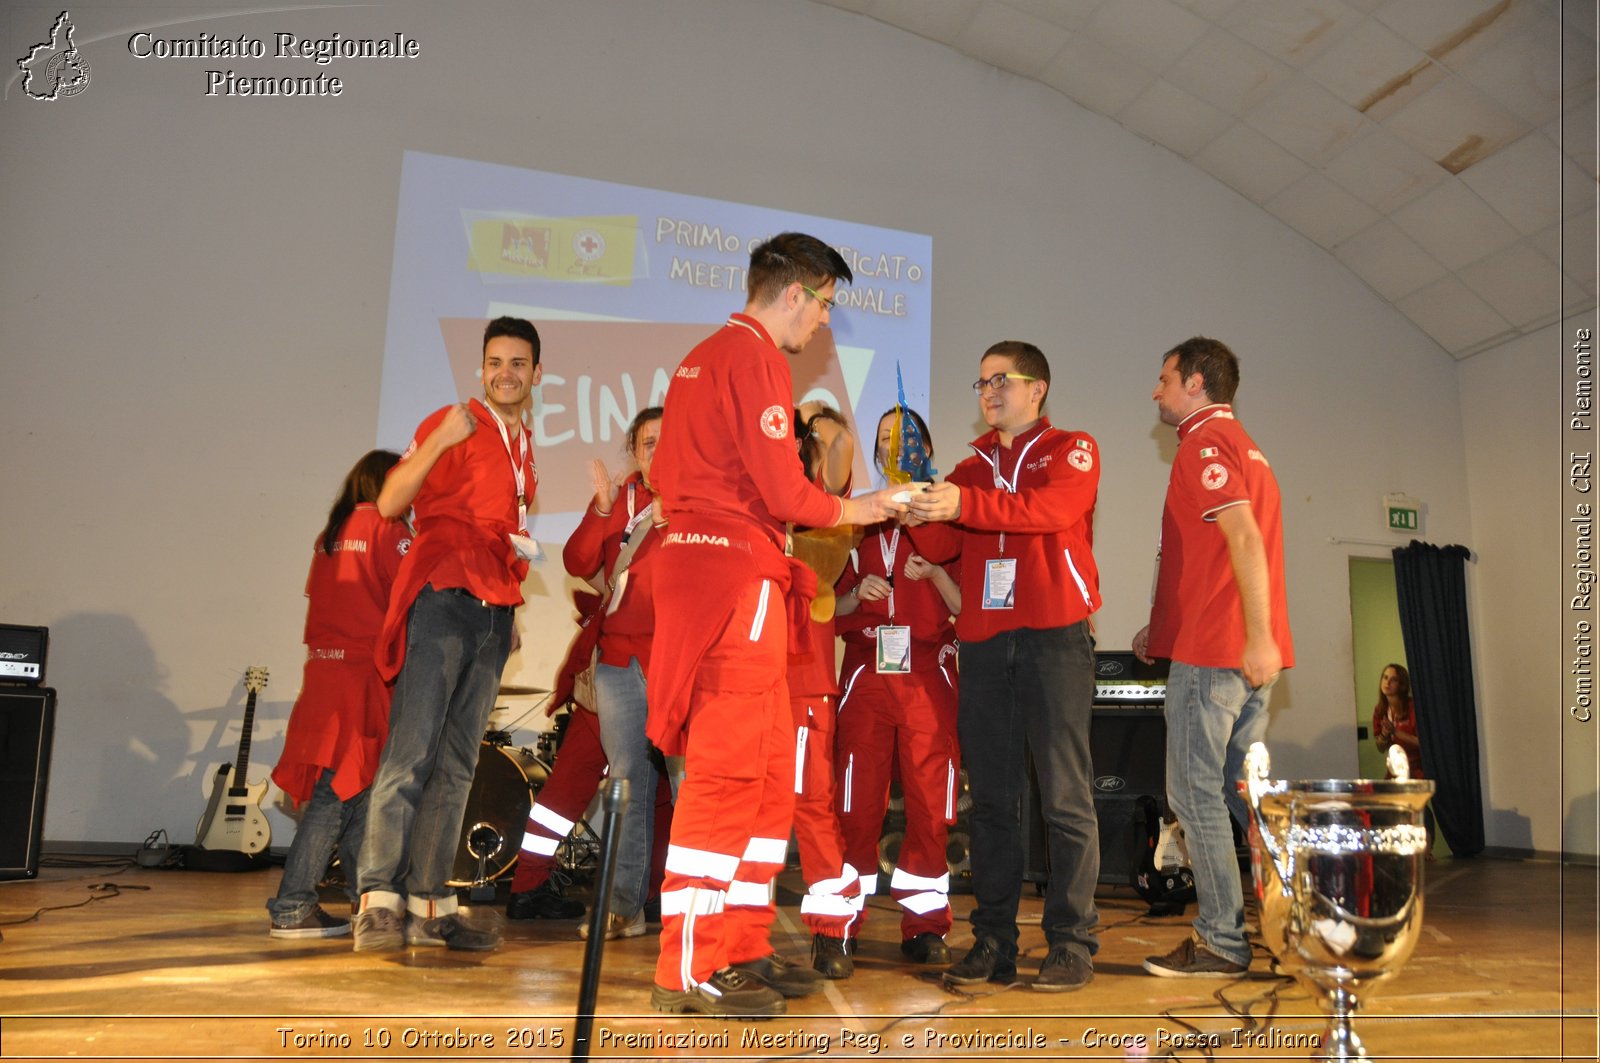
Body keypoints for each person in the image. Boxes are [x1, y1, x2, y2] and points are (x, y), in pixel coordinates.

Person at [645, 232, 906, 1019]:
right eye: (826, 304)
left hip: (730, 574)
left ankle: (742, 944)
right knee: (728, 775)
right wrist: (865, 506)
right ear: (798, 290)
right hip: (735, 578)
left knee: (764, 776)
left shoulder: (704, 356)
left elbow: (671, 481)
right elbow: (785, 491)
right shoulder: (754, 354)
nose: (824, 323)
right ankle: (688, 964)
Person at [905, 341, 1103, 993]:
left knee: (1064, 796)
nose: (988, 390)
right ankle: (993, 938)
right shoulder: (969, 466)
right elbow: (937, 542)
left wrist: (960, 505)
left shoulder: (1072, 448)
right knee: (991, 800)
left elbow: (1048, 512)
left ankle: (1071, 943)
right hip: (986, 640)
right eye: (981, 381)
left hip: (1054, 637)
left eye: (1002, 379)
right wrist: (918, 501)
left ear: (1037, 387)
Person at [352, 316, 542, 953]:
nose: (504, 373)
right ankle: (378, 902)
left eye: (517, 363)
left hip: (492, 610)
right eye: (495, 361)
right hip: (441, 600)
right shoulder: (454, 420)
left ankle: (431, 903)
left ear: (535, 374)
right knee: (412, 755)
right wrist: (436, 444)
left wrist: (506, 608)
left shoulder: (524, 441)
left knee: (459, 763)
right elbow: (388, 504)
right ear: (481, 366)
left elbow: (500, 525)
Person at [1132, 335, 1293, 979]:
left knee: (1192, 792)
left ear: (1196, 383)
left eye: (1165, 377)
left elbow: (1244, 540)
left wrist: (1254, 637)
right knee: (1241, 796)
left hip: (1220, 651)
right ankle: (1298, 924)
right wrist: (1159, 629)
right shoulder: (1245, 444)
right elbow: (1202, 558)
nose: (1156, 390)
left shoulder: (1205, 443)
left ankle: (1221, 940)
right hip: (1240, 650)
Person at [832, 405, 962, 969]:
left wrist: (936, 574)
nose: (894, 447)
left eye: (904, 438)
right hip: (866, 672)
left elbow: (972, 601)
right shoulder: (856, 517)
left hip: (930, 673)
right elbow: (824, 606)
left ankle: (925, 923)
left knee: (933, 805)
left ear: (924, 448)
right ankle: (840, 919)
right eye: (883, 438)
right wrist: (852, 595)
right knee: (856, 803)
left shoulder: (952, 513)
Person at [267, 450, 408, 938]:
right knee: (336, 794)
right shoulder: (391, 531)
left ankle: (363, 900)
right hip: (363, 679)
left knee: (358, 792)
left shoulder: (330, 535)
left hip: (325, 677)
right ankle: (292, 905)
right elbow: (414, 601)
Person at [785, 403, 865, 979]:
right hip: (738, 678)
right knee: (739, 812)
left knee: (810, 805)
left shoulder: (824, 505)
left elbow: (839, 452)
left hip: (800, 681)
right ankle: (735, 937)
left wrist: (819, 421)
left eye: (798, 437)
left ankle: (831, 931)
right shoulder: (744, 499)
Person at [1373, 663, 1421, 779]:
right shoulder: (1380, 710)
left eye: (1393, 679)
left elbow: (1422, 743)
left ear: (1402, 685)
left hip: (1417, 771)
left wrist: (1395, 732)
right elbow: (1380, 748)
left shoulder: (1413, 707)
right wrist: (1385, 734)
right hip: (1395, 772)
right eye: (1385, 677)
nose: (1387, 682)